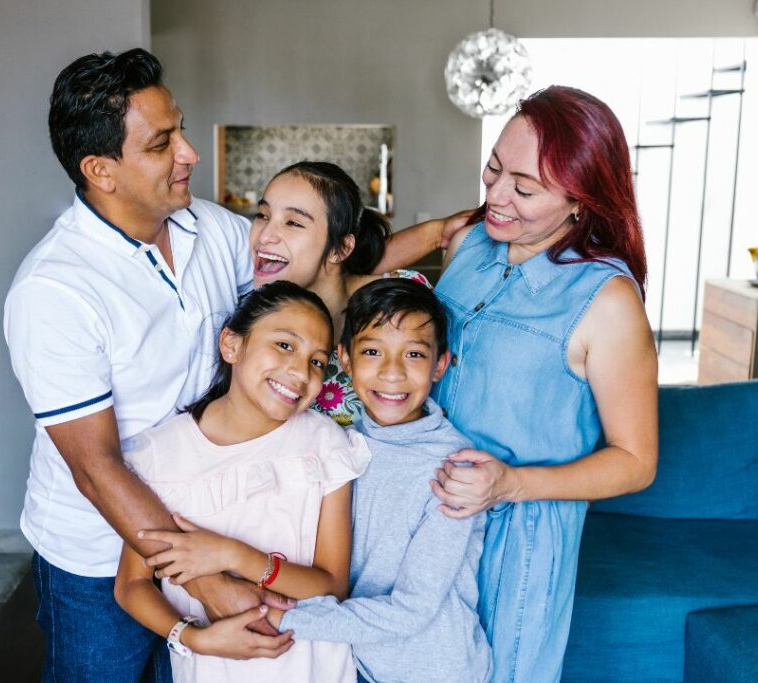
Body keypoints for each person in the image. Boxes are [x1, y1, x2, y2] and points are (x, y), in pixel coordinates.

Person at [3, 48, 290, 681]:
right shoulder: (54, 290)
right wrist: (208, 582)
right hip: (98, 556)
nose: (190, 153)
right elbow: (96, 468)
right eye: (162, 144)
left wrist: (438, 237)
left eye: (180, 129)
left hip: (203, 525)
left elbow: (309, 264)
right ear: (101, 170)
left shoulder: (208, 226)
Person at [429, 86, 659, 682]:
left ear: (581, 201)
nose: (495, 195)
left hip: (519, 542)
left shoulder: (607, 301)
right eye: (493, 168)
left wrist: (511, 483)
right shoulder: (471, 243)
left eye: (525, 189)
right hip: (424, 511)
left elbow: (636, 462)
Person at [114, 281, 371, 683]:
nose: (300, 371)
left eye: (317, 361)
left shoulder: (325, 445)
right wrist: (193, 638)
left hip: (313, 668)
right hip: (213, 669)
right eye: (284, 345)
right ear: (231, 345)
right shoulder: (159, 455)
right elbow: (131, 585)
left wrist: (233, 556)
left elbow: (331, 586)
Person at [272, 279, 493, 683]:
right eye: (372, 352)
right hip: (354, 660)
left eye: (414, 354)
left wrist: (284, 619)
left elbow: (412, 609)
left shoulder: (455, 470)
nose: (392, 372)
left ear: (440, 364)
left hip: (431, 672)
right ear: (345, 359)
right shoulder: (339, 442)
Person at [249, 161, 471, 425]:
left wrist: (437, 234)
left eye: (293, 223)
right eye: (262, 215)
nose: (264, 236)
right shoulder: (254, 310)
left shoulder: (404, 296)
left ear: (341, 249)